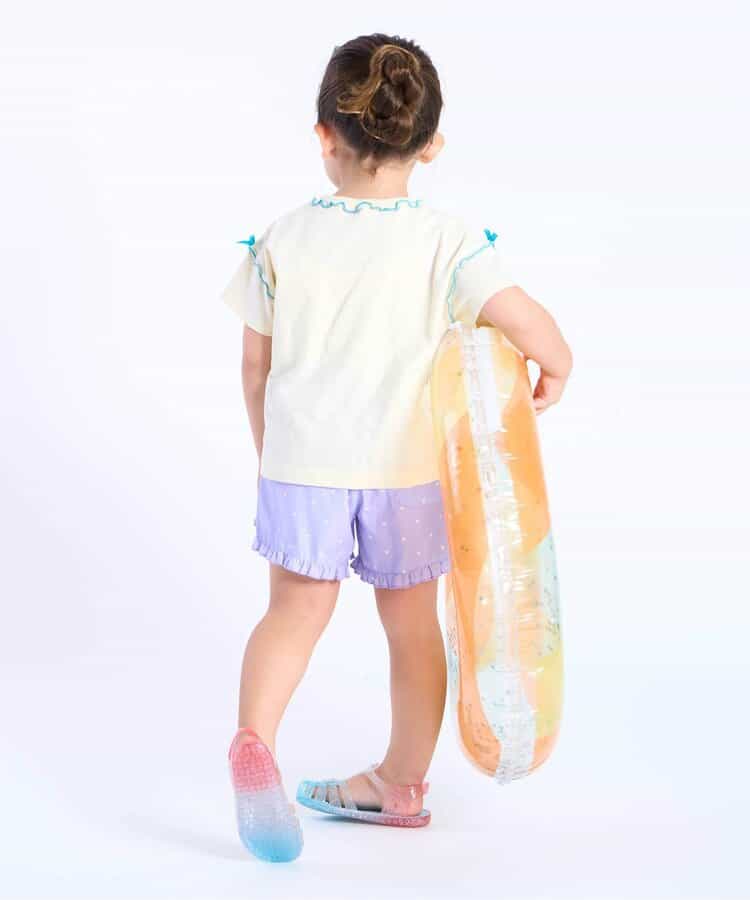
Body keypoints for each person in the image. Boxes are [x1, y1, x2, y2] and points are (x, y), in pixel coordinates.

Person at [220, 33, 573, 862]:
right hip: (406, 471)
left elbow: (254, 367)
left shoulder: (283, 238)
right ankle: (400, 785)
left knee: (293, 613)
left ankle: (255, 741)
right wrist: (557, 362)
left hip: (303, 465)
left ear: (324, 136)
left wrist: (272, 452)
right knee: (413, 626)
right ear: (431, 144)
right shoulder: (447, 241)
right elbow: (523, 318)